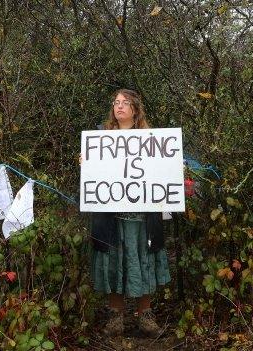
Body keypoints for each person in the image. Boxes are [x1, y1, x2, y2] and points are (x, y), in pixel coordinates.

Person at [85, 89, 171, 338]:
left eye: (124, 103)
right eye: (115, 102)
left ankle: (145, 316)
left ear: (135, 109)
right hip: (112, 217)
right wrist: (86, 162)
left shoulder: (151, 139)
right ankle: (116, 317)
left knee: (143, 262)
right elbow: (95, 176)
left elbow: (161, 173)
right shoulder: (101, 137)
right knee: (114, 263)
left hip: (142, 218)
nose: (119, 106)